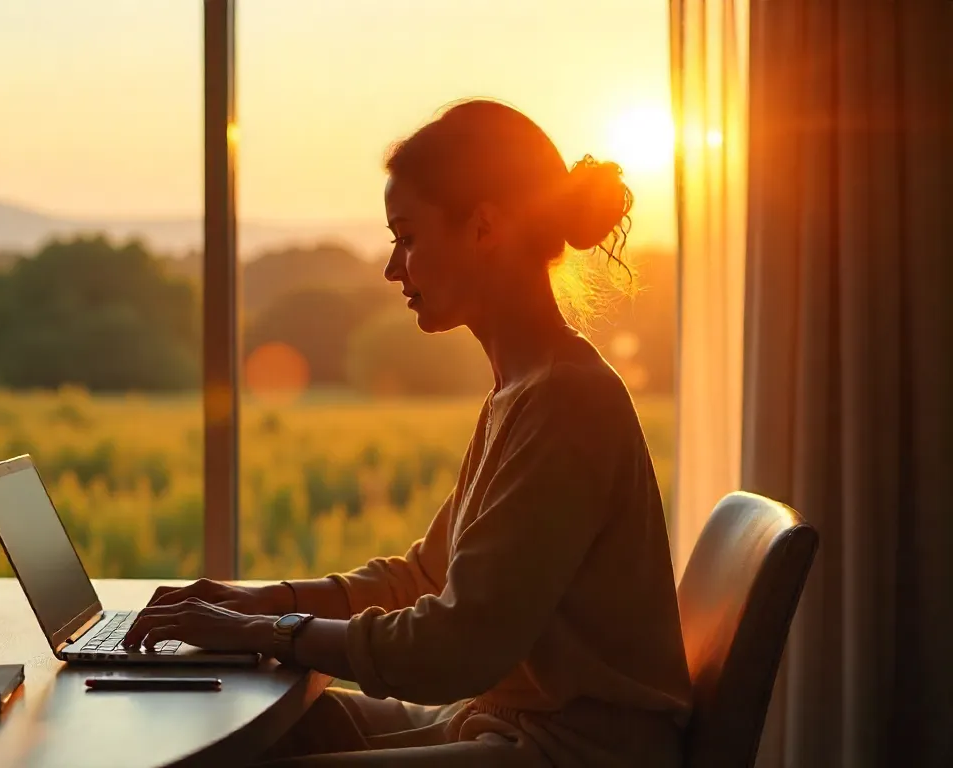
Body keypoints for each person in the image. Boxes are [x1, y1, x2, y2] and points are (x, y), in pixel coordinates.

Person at [123, 98, 693, 767]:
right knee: (268, 727)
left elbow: (453, 648)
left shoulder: (566, 402)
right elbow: (425, 577)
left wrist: (266, 629)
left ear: (485, 227)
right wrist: (254, 603)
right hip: (497, 725)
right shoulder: (525, 390)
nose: (394, 268)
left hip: (568, 752)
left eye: (409, 237)